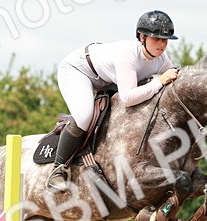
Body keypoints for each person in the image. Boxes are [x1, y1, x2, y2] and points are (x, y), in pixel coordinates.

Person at [47, 10, 180, 192]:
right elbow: (128, 98)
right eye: (156, 38)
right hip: (79, 70)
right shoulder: (128, 54)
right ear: (142, 37)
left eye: (165, 40)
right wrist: (159, 81)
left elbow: (175, 80)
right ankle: (58, 169)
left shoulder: (162, 60)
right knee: (85, 116)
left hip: (108, 79)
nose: (162, 44)